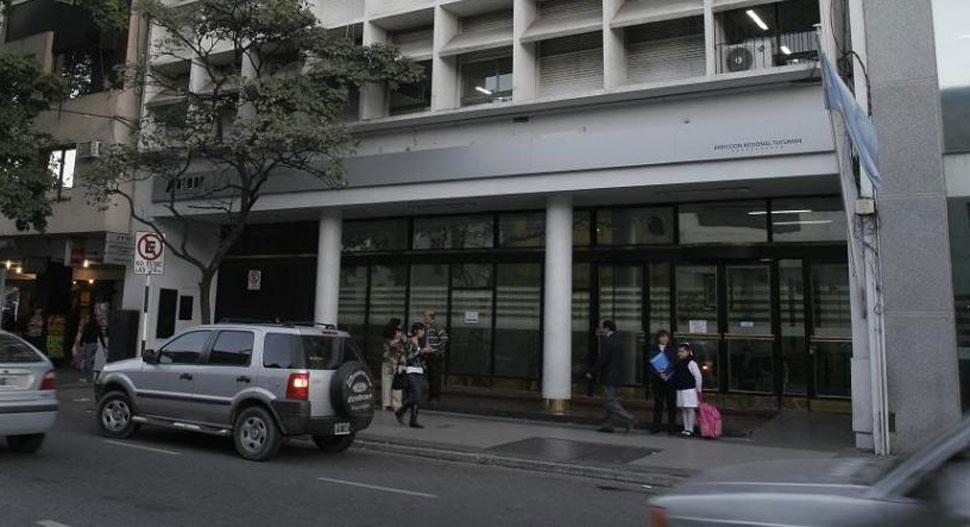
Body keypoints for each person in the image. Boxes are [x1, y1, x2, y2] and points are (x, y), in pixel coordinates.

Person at [587, 320, 635, 433]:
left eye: (602, 328)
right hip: (617, 376)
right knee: (611, 401)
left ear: (607, 328)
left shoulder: (608, 341)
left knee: (610, 402)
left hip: (609, 376)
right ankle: (608, 425)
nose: (601, 330)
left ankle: (629, 418)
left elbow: (603, 359)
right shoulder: (618, 340)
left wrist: (592, 371)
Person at [395, 322, 427, 429]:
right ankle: (400, 411)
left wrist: (425, 352)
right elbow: (409, 356)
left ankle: (413, 420)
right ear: (416, 331)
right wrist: (421, 351)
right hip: (411, 370)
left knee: (417, 396)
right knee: (416, 394)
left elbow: (420, 357)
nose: (423, 332)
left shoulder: (421, 342)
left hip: (420, 371)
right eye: (422, 330)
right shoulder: (409, 341)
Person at [646, 330, 677, 435]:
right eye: (662, 337)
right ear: (658, 338)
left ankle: (671, 427)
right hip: (658, 381)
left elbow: (674, 363)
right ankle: (656, 427)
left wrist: (667, 373)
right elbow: (651, 365)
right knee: (658, 404)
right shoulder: (653, 350)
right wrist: (659, 374)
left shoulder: (672, 350)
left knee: (671, 405)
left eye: (666, 337)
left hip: (670, 380)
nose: (665, 339)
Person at [673, 342, 704, 437]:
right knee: (684, 409)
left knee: (690, 409)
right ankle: (686, 428)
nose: (680, 353)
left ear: (687, 352)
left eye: (682, 351)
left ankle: (690, 429)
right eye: (679, 351)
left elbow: (698, 377)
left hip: (689, 390)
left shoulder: (692, 363)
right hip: (680, 389)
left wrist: (698, 390)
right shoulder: (679, 363)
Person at [422, 310, 448, 403]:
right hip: (429, 354)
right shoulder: (427, 327)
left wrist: (435, 349)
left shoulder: (436, 326)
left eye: (425, 316)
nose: (424, 318)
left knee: (435, 375)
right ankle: (431, 394)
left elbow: (444, 338)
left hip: (434, 355)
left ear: (430, 317)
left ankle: (435, 395)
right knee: (430, 375)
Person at [381, 318, 405, 411]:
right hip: (397, 361)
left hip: (386, 360)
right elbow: (401, 345)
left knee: (386, 382)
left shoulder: (386, 335)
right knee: (397, 383)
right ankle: (396, 404)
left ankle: (386, 403)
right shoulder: (399, 335)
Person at [80, 313, 106, 382]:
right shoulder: (97, 326)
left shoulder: (86, 326)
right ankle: (86, 378)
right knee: (90, 361)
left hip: (88, 345)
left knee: (87, 362)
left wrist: (81, 345)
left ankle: (94, 374)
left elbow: (83, 335)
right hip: (95, 345)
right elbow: (101, 337)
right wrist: (104, 347)